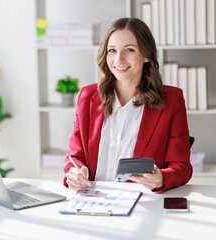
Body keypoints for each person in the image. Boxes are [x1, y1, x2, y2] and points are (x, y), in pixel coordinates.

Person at [63, 17, 192, 192]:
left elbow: (181, 167)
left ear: (146, 55)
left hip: (141, 203)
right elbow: (74, 157)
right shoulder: (87, 97)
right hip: (91, 201)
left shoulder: (172, 100)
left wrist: (161, 178)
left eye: (129, 50)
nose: (119, 59)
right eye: (112, 50)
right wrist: (74, 174)